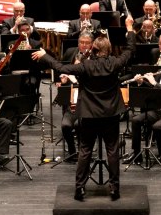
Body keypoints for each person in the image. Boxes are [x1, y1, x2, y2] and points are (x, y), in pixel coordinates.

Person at [32, 30, 137, 201]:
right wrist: (130, 30)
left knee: (85, 150)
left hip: (89, 115)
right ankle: (114, 189)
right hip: (110, 114)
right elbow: (130, 50)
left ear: (94, 49)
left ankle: (79, 188)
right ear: (109, 50)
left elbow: (60, 67)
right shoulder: (115, 63)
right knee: (112, 150)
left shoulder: (85, 66)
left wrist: (45, 55)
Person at [57, 32, 95, 158]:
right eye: (81, 42)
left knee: (80, 125)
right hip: (71, 102)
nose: (84, 45)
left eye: (87, 43)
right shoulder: (70, 52)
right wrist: (62, 82)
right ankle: (72, 152)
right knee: (66, 125)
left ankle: (83, 152)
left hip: (88, 103)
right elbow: (61, 69)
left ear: (92, 44)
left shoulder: (96, 57)